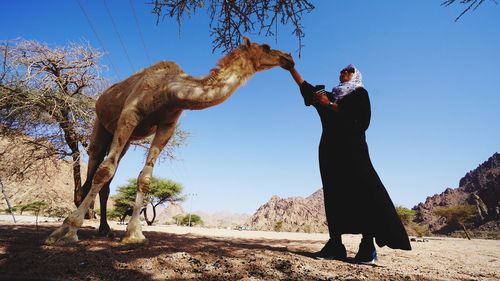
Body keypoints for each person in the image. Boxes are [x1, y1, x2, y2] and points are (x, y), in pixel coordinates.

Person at [285, 63, 411, 263]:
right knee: (334, 195)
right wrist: (291, 69)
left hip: (354, 151)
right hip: (330, 152)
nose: (343, 72)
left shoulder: (360, 94)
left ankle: (367, 247)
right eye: (342, 70)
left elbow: (362, 122)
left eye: (349, 70)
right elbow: (306, 88)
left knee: (365, 192)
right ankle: (335, 245)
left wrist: (330, 106)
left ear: (356, 75)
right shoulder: (329, 94)